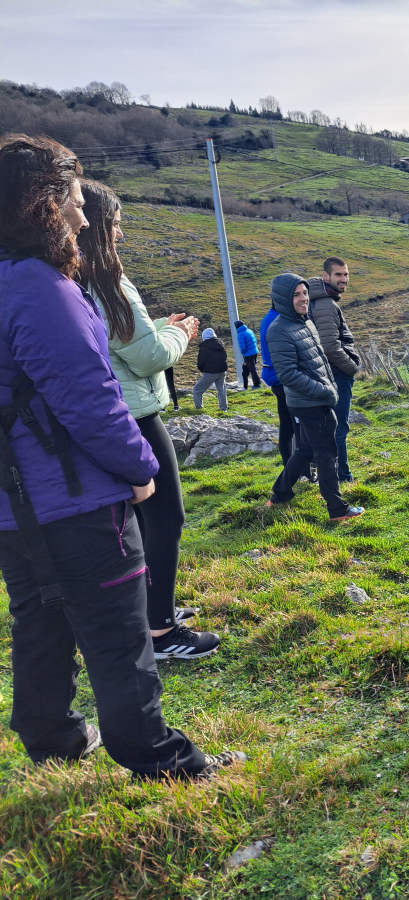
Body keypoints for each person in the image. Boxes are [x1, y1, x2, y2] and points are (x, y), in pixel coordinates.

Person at [0, 134, 243, 778]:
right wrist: (141, 471)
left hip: (13, 507)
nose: (83, 218)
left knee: (39, 618)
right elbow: (90, 400)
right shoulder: (41, 289)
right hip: (75, 498)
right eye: (75, 202)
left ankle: (51, 735)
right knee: (116, 630)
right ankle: (156, 755)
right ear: (41, 206)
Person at [76, 179, 220, 661]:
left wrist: (157, 326)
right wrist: (179, 333)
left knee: (138, 520)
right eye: (115, 225)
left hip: (110, 412)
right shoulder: (109, 281)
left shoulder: (72, 281)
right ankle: (161, 631)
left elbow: (125, 345)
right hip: (137, 413)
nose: (120, 235)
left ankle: (154, 611)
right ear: (95, 227)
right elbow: (149, 357)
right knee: (166, 518)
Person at [265, 273, 364, 523]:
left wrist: (328, 385)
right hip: (308, 402)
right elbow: (288, 374)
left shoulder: (304, 322)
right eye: (296, 295)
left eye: (305, 293)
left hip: (317, 399)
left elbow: (319, 361)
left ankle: (280, 493)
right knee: (326, 453)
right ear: (283, 299)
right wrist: (325, 391)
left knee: (306, 450)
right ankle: (337, 509)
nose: (303, 299)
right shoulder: (279, 330)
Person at [307, 257, 359, 482]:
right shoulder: (326, 304)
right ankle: (342, 476)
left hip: (322, 373)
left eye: (346, 275)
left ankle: (323, 472)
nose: (344, 280)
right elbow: (330, 346)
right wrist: (351, 367)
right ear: (325, 276)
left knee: (327, 427)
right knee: (339, 427)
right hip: (337, 373)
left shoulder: (317, 301)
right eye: (339, 275)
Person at [259, 305, 293, 467]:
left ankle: (291, 466)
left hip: (276, 377)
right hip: (284, 379)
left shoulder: (271, 318)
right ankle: (300, 469)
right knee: (296, 426)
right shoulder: (277, 321)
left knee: (288, 425)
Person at [193, 327, 229, 411]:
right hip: (222, 371)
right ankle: (224, 408)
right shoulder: (220, 344)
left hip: (210, 372)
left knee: (197, 389)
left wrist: (202, 370)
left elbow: (201, 361)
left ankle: (199, 409)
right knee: (221, 389)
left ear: (204, 337)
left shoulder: (204, 347)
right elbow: (225, 357)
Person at [235, 320, 261, 390]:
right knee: (250, 369)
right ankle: (247, 386)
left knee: (250, 370)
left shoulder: (241, 334)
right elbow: (255, 340)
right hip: (254, 352)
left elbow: (243, 347)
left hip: (248, 354)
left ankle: (256, 384)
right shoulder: (249, 331)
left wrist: (243, 353)